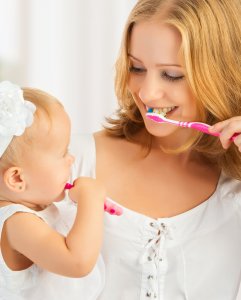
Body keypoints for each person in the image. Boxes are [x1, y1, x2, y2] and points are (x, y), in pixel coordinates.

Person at [67, 0, 241, 299]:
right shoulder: (73, 161)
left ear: (223, 73)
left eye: (172, 75)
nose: (147, 93)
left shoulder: (234, 183)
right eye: (136, 68)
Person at [0, 81, 107, 300]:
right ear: (18, 178)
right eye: (62, 153)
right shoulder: (17, 223)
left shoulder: (36, 207)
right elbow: (77, 262)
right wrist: (92, 198)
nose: (72, 159)